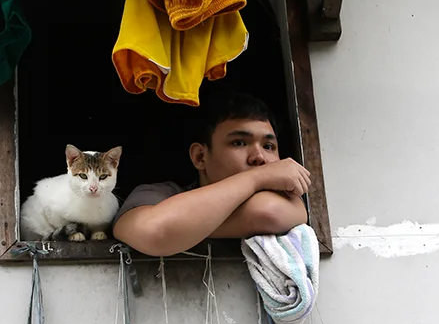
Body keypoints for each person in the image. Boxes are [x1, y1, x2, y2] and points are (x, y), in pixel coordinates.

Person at [112, 93, 310, 256]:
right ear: (200, 157)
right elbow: (155, 233)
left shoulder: (285, 197)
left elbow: (268, 211)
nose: (259, 157)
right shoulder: (156, 193)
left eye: (268, 146)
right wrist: (257, 178)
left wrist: (182, 228)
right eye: (239, 143)